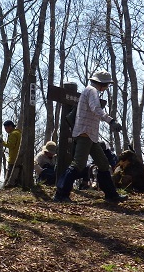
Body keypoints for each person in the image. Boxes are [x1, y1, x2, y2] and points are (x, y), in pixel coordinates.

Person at [54, 70, 127, 203]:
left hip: (90, 135)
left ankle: (111, 195)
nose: (107, 88)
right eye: (107, 85)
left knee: (103, 164)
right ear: (102, 84)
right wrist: (111, 121)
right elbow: (96, 109)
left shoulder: (89, 90)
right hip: (85, 133)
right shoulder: (92, 91)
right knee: (78, 165)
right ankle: (60, 194)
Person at [0, 120, 22, 187]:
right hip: (19, 157)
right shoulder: (19, 133)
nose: (6, 130)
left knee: (9, 176)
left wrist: (2, 142)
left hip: (13, 158)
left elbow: (11, 146)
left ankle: (7, 188)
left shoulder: (13, 134)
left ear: (10, 126)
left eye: (6, 128)